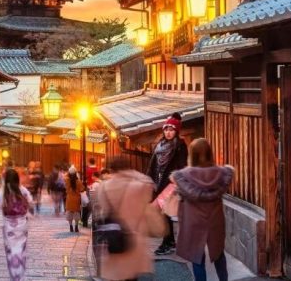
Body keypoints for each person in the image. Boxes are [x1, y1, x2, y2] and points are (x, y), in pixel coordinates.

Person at [172, 138, 234, 281]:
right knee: (218, 253)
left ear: (191, 154)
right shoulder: (222, 173)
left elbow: (183, 194)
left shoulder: (183, 176)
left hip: (193, 220)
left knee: (197, 257)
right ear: (209, 152)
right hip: (215, 219)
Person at [93, 155, 155, 281]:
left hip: (113, 238)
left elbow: (101, 211)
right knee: (131, 276)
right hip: (133, 238)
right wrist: (133, 174)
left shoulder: (103, 187)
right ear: (129, 168)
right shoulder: (138, 185)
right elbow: (150, 184)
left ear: (111, 169)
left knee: (115, 275)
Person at [145, 112, 188, 255]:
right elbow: (152, 165)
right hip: (158, 183)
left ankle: (167, 242)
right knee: (163, 214)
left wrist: (177, 183)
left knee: (166, 214)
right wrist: (149, 180)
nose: (168, 133)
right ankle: (169, 242)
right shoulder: (160, 145)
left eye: (171, 130)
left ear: (176, 131)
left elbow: (182, 166)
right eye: (166, 129)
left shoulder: (180, 145)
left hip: (170, 185)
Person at [0, 167, 34, 280]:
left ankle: (14, 273)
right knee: (21, 249)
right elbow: (30, 200)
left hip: (8, 224)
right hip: (22, 222)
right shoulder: (22, 189)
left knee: (11, 249)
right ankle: (20, 273)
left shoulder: (2, 191)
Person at [64, 166, 87, 233]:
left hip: (69, 198)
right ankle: (76, 227)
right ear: (75, 173)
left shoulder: (67, 180)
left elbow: (65, 176)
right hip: (77, 199)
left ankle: (71, 226)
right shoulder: (78, 181)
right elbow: (82, 189)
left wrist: (69, 172)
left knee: (69, 212)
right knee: (76, 213)